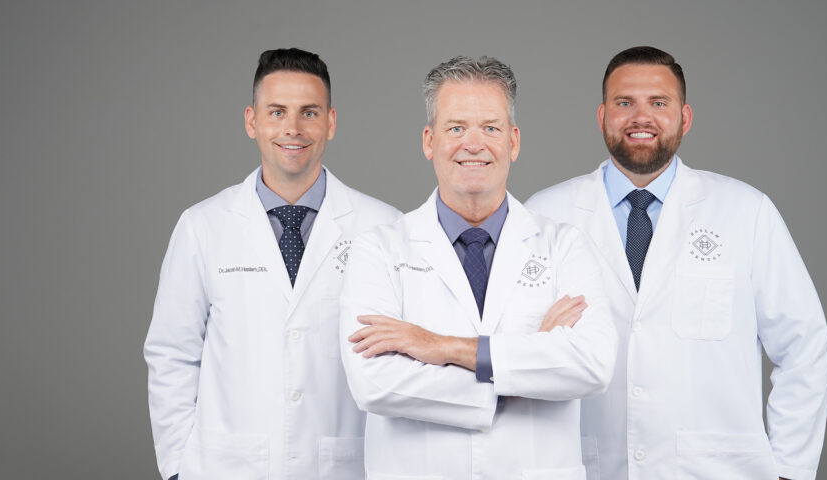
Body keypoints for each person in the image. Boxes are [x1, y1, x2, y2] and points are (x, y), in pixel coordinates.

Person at [526, 46, 827, 480]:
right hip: (588, 466)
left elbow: (804, 345)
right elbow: (514, 351)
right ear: (602, 116)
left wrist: (789, 469)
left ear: (684, 117)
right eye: (624, 102)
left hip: (719, 470)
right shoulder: (546, 214)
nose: (640, 117)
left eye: (659, 103)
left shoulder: (745, 211)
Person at [338, 56, 618, 480]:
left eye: (490, 128)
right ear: (429, 141)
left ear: (514, 141)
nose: (474, 144)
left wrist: (442, 347)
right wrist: (524, 366)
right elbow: (373, 382)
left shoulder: (564, 246)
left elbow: (592, 363)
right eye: (456, 128)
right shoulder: (378, 249)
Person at [144, 48, 401, 480]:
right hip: (225, 467)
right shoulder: (203, 226)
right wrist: (177, 467)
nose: (293, 129)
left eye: (309, 113)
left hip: (345, 466)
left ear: (331, 123)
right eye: (277, 112)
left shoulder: (384, 227)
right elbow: (172, 354)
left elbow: (402, 360)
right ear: (252, 121)